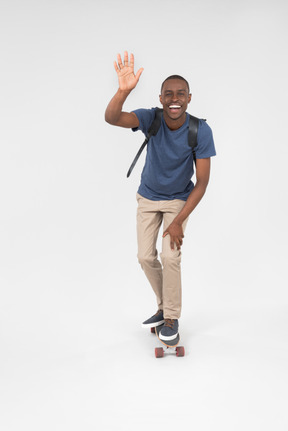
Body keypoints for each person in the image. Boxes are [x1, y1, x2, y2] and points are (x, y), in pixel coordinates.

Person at [105, 51, 216, 341]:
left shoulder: (200, 130)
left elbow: (202, 182)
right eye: (169, 94)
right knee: (144, 257)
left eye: (181, 94)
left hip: (179, 200)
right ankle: (163, 306)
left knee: (170, 256)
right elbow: (112, 117)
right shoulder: (149, 118)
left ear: (189, 98)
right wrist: (123, 91)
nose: (174, 99)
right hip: (148, 197)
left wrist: (179, 220)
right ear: (160, 98)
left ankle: (171, 318)